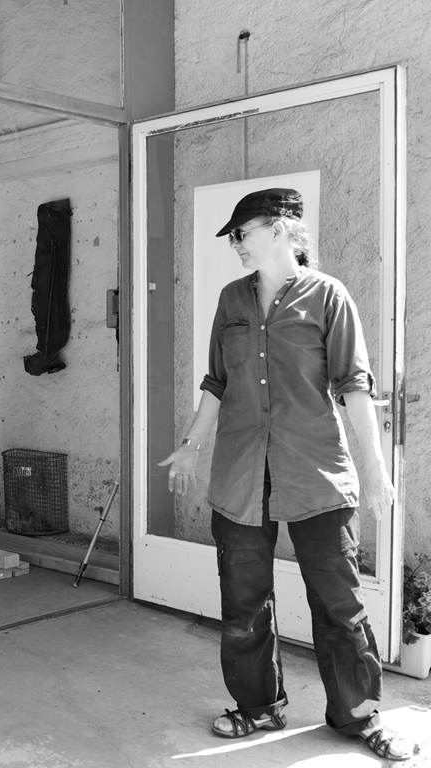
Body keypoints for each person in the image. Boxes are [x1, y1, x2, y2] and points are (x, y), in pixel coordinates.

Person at [158, 189, 412, 761]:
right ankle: (258, 707)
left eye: (241, 233)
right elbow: (217, 381)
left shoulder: (328, 297)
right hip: (242, 471)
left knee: (339, 602)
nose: (235, 244)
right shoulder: (231, 299)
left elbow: (354, 386)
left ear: (278, 229)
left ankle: (358, 715)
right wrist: (192, 447)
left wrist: (374, 472)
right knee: (243, 600)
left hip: (315, 472)